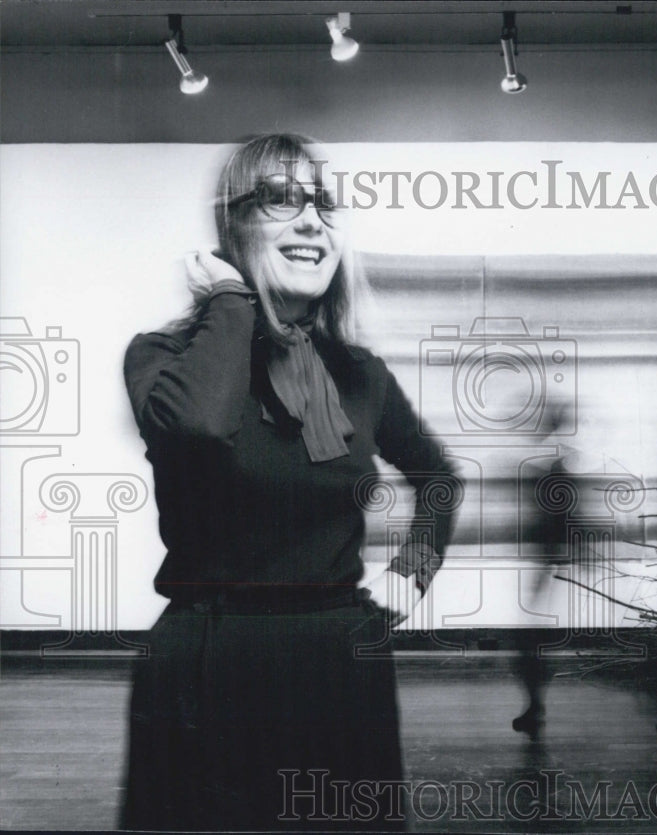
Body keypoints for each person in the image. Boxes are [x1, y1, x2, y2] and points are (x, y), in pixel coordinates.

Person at [119, 134, 461, 831]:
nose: (312, 222)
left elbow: (440, 480)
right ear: (233, 226)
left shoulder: (360, 375)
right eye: (281, 199)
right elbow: (202, 426)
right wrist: (230, 298)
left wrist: (406, 581)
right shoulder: (164, 357)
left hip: (340, 659)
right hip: (207, 661)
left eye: (323, 204)